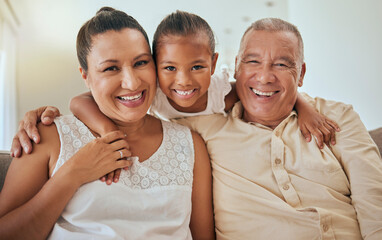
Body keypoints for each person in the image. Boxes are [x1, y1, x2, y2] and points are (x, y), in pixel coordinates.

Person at [11, 11, 340, 184]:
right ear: (156, 66)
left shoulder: (224, 91)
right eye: (169, 68)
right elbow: (78, 102)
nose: (183, 81)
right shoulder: (151, 95)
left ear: (213, 64)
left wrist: (306, 106)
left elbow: (267, 88)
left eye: (197, 66)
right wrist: (108, 132)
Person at [0, 7, 214, 239]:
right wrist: (72, 173)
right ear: (86, 76)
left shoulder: (189, 145)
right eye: (111, 68)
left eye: (141, 63)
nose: (132, 83)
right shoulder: (46, 135)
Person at [175, 18, 382, 239]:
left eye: (281, 64)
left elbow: (373, 203)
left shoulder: (337, 117)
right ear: (236, 67)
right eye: (253, 61)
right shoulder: (202, 128)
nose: (264, 77)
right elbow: (157, 114)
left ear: (301, 74)